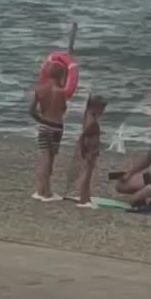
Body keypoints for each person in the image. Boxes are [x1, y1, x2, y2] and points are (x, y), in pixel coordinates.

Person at [30, 61, 68, 202]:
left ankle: (41, 189)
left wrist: (41, 119)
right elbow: (63, 109)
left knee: (44, 157)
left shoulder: (39, 90)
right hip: (57, 127)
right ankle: (47, 192)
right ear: (61, 76)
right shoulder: (61, 92)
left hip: (44, 125)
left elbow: (31, 111)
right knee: (49, 159)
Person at [77, 93, 107, 208]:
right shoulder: (91, 117)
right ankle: (83, 200)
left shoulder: (89, 115)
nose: (103, 112)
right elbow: (85, 133)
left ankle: (86, 198)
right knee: (87, 173)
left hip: (91, 146)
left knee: (89, 172)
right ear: (96, 107)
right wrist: (84, 148)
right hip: (90, 147)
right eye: (102, 109)